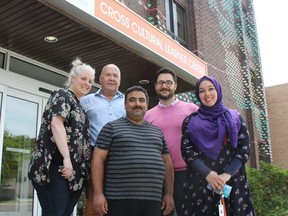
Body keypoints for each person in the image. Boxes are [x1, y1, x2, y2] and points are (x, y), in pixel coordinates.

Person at [91, 86, 175, 216]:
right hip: (119, 200)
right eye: (132, 100)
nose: (137, 104)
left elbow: (167, 163)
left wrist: (169, 194)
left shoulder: (157, 132)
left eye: (141, 100)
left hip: (153, 201)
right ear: (125, 105)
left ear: (147, 105)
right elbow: (97, 159)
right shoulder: (111, 128)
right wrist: (98, 194)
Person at [28, 58, 95, 216]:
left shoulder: (80, 106)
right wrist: (66, 158)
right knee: (54, 212)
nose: (87, 83)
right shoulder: (62, 94)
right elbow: (56, 124)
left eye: (91, 81)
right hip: (56, 166)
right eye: (83, 78)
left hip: (74, 173)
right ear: (72, 77)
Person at [181, 76, 255, 215]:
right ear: (198, 95)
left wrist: (226, 175)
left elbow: (244, 149)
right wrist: (208, 174)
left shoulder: (235, 118)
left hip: (233, 181)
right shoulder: (190, 121)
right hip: (201, 182)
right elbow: (187, 151)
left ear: (218, 90)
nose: (207, 94)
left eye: (211, 89)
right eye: (202, 91)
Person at [145, 68, 198, 216]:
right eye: (160, 82)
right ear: (155, 86)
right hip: (158, 176)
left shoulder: (192, 109)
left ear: (175, 86)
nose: (164, 86)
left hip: (187, 173)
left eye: (169, 82)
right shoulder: (147, 116)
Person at [80, 64, 125, 216]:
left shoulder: (128, 102)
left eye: (115, 75)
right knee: (94, 204)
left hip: (121, 158)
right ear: (100, 79)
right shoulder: (86, 101)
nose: (112, 78)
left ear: (120, 80)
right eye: (108, 75)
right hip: (96, 158)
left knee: (119, 203)